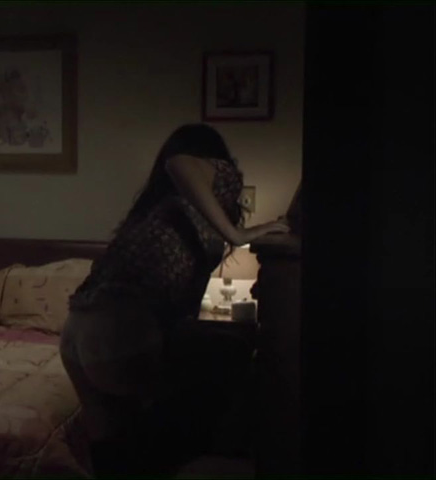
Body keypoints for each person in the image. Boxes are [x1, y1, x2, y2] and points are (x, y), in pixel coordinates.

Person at [59, 124, 289, 477]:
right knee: (230, 362)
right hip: (120, 326)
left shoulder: (155, 210)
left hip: (76, 332)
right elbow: (179, 163)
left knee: (111, 445)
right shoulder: (216, 178)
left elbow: (180, 310)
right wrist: (237, 234)